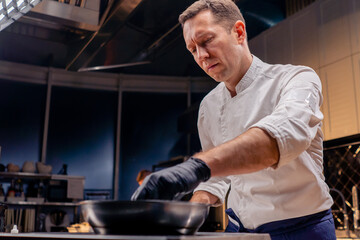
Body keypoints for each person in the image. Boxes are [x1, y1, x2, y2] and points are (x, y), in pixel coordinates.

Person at [132, 0, 336, 239]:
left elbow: (280, 137)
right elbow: (217, 176)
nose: (202, 56)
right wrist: (188, 211)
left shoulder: (296, 79)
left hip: (302, 229)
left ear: (239, 32)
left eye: (206, 41)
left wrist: (192, 169)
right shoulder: (208, 106)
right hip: (239, 229)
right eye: (192, 49)